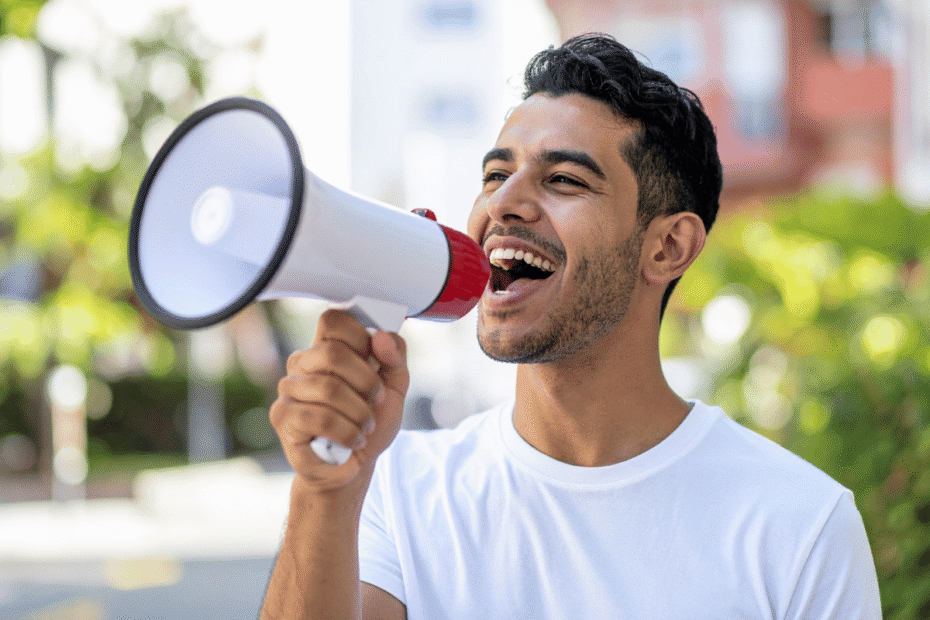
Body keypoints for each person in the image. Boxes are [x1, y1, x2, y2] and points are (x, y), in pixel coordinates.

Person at [260, 34, 881, 620]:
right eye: (496, 175)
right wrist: (324, 492)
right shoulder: (392, 488)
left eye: (564, 180)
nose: (504, 203)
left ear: (667, 247)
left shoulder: (800, 524)